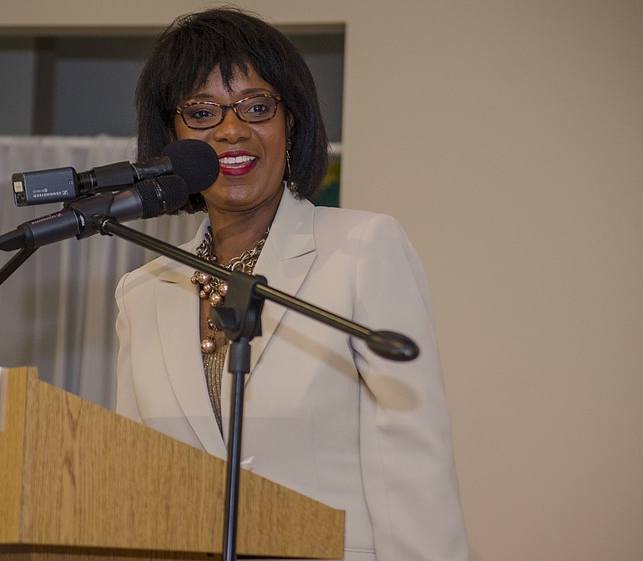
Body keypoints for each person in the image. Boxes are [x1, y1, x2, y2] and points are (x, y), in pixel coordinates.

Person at [114, 8, 468, 561]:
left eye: (257, 107)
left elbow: (413, 466)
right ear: (171, 138)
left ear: (292, 121)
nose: (232, 131)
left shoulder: (362, 249)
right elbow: (134, 480)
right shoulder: (144, 290)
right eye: (202, 112)